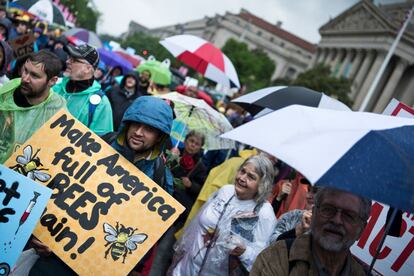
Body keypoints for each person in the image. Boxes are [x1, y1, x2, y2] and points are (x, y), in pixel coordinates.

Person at [169, 154, 277, 275]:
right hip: (185, 269)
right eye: (242, 171)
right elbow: (196, 224)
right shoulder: (226, 191)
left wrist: (244, 252)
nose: (242, 178)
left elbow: (262, 258)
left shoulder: (264, 212)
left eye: (251, 177)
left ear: (263, 184)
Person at [251, 187, 372, 276]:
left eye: (349, 216)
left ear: (361, 230)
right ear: (314, 214)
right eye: (328, 209)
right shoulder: (276, 257)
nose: (337, 220)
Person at [0, 50, 65, 163]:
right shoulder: (8, 89)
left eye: (34, 76)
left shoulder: (57, 108)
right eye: (25, 70)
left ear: (52, 81)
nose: (25, 79)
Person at [53, 44, 113, 135]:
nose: (68, 61)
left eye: (74, 60)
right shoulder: (55, 84)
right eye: (69, 57)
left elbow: (100, 143)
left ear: (88, 69)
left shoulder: (100, 104)